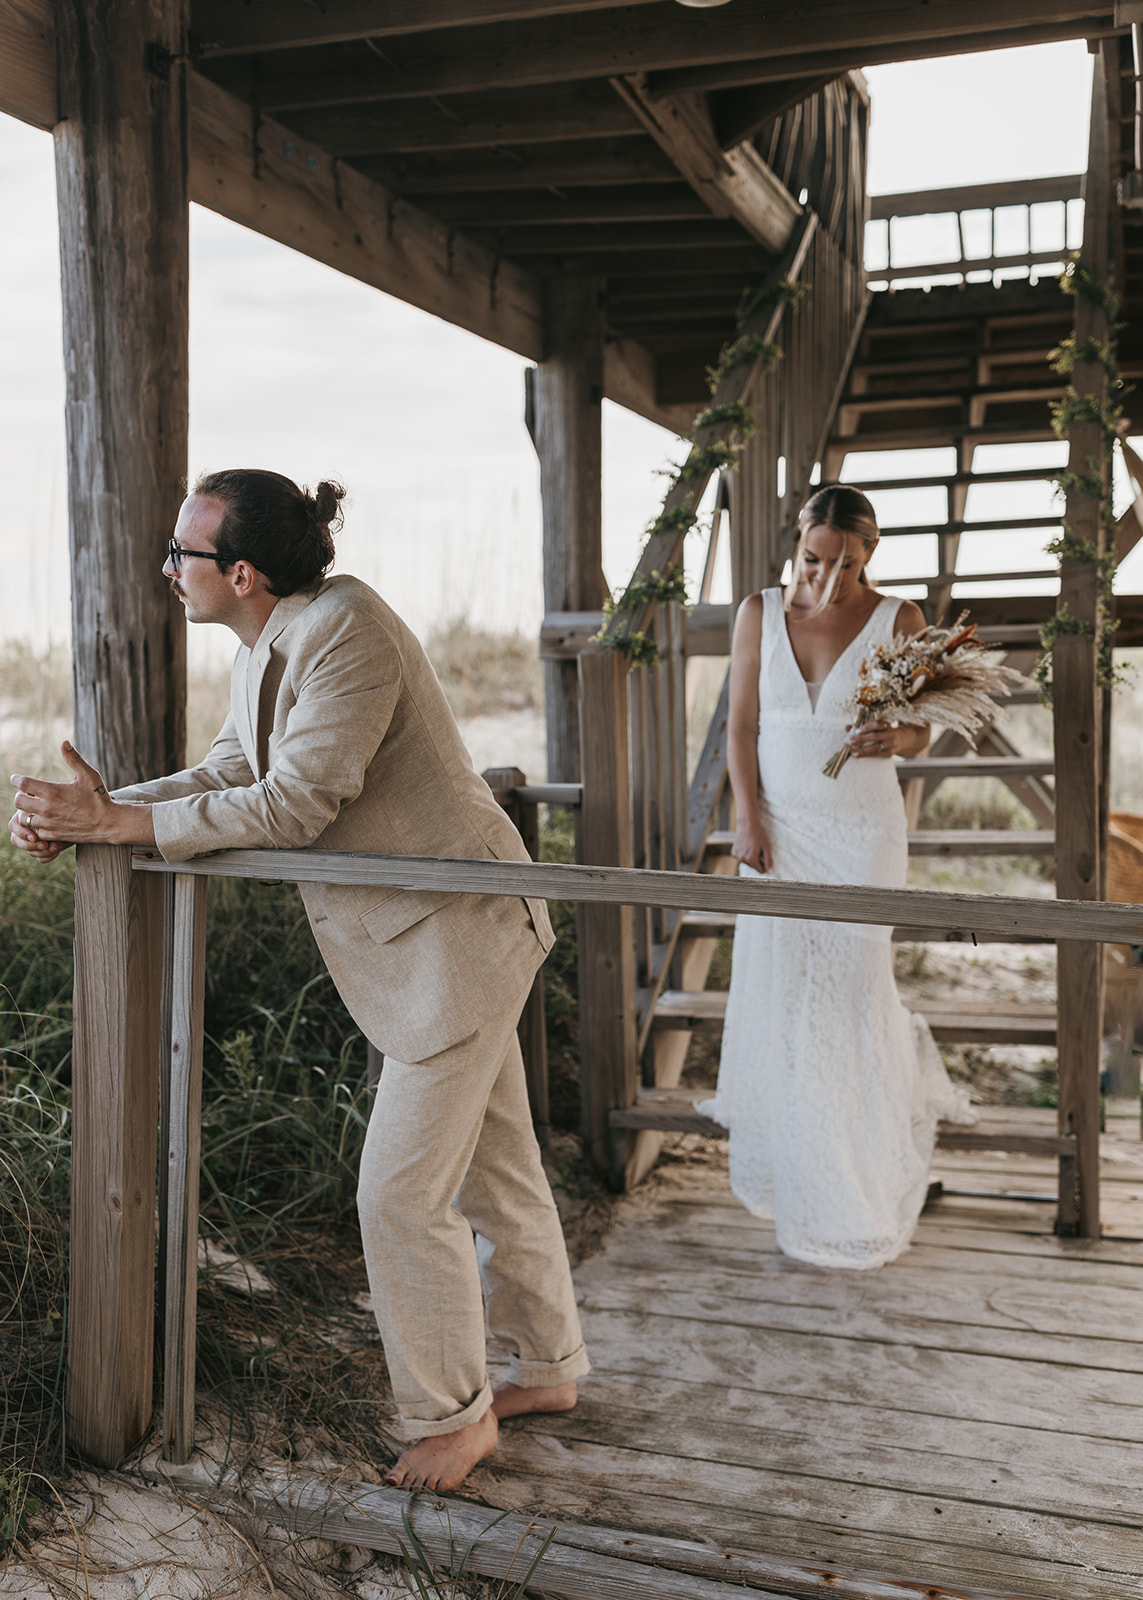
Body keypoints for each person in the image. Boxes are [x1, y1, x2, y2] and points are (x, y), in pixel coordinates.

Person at [9, 469, 588, 1489]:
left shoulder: (347, 631)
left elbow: (294, 804)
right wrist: (97, 811)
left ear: (239, 571)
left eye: (180, 555)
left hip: (458, 940)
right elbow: (233, 769)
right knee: (497, 1168)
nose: (166, 569)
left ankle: (455, 1418)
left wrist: (116, 823)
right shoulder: (274, 640)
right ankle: (550, 1367)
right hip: (439, 944)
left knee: (399, 1193)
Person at [699, 484, 973, 1269]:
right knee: (789, 998)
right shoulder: (758, 611)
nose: (825, 579)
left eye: (845, 565)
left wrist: (903, 736)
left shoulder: (900, 620)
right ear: (798, 541)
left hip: (860, 833)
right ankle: (802, 1179)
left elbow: (928, 728)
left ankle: (858, 1179)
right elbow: (741, 726)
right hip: (779, 831)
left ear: (870, 555)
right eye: (814, 560)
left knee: (851, 994)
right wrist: (746, 819)